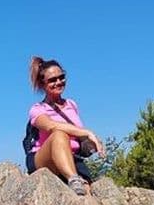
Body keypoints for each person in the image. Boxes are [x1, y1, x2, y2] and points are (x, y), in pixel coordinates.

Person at [24, 56, 105, 196]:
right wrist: (86, 132)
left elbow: (76, 134)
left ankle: (76, 179)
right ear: (42, 84)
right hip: (43, 159)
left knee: (89, 195)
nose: (58, 82)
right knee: (59, 134)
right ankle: (73, 180)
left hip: (72, 158)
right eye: (52, 80)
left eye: (61, 77)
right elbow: (50, 126)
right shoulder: (37, 109)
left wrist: (88, 140)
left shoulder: (71, 105)